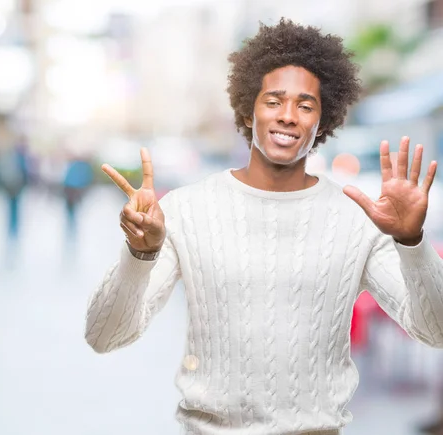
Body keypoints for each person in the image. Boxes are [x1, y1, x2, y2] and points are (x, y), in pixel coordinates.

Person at [84, 18, 443, 434]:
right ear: (248, 109)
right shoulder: (187, 209)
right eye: (274, 100)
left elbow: (435, 331)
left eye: (306, 106)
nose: (288, 116)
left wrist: (411, 242)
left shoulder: (355, 221)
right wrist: (139, 254)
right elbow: (102, 336)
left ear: (323, 123)